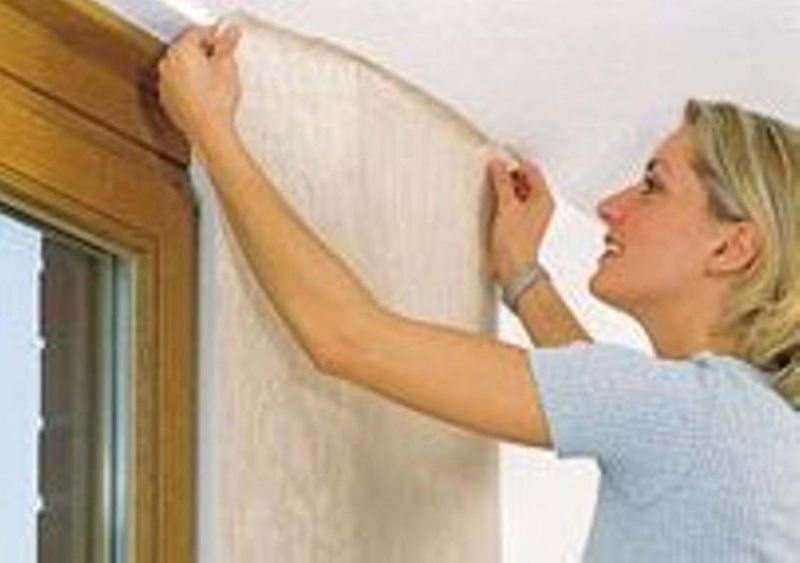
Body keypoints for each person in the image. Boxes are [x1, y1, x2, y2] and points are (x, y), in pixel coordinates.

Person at [157, 23, 800, 562]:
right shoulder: (749, 426)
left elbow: (347, 338)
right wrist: (522, 275)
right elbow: (605, 392)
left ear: (732, 247)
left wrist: (214, 133)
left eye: (653, 185)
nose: (611, 206)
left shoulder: (689, 416)